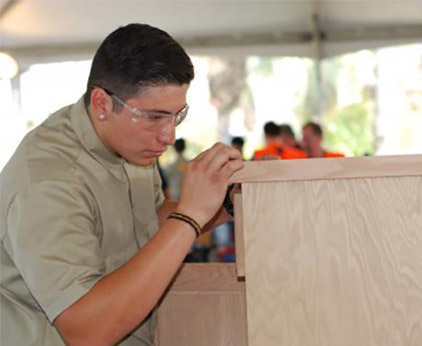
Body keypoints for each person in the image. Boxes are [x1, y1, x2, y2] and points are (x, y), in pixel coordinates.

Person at [0, 24, 243, 346]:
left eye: (176, 115)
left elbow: (145, 224)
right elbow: (87, 330)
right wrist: (190, 214)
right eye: (154, 117)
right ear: (101, 104)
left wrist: (223, 204)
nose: (168, 136)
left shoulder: (127, 142)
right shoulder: (48, 182)